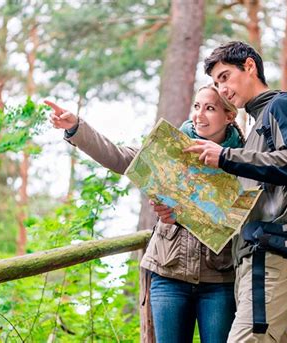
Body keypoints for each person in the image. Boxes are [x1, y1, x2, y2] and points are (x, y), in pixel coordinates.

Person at [46, 84, 245, 343]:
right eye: (197, 106)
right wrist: (76, 128)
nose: (199, 115)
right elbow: (120, 157)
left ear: (229, 116)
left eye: (210, 108)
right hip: (168, 273)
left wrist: (191, 214)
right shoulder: (173, 146)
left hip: (220, 279)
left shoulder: (243, 158)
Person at [156, 41, 287, 342]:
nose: (222, 89)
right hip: (254, 260)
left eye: (225, 77)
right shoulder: (259, 123)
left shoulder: (282, 106)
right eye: (217, 82)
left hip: (273, 258)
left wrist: (226, 157)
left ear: (249, 66)